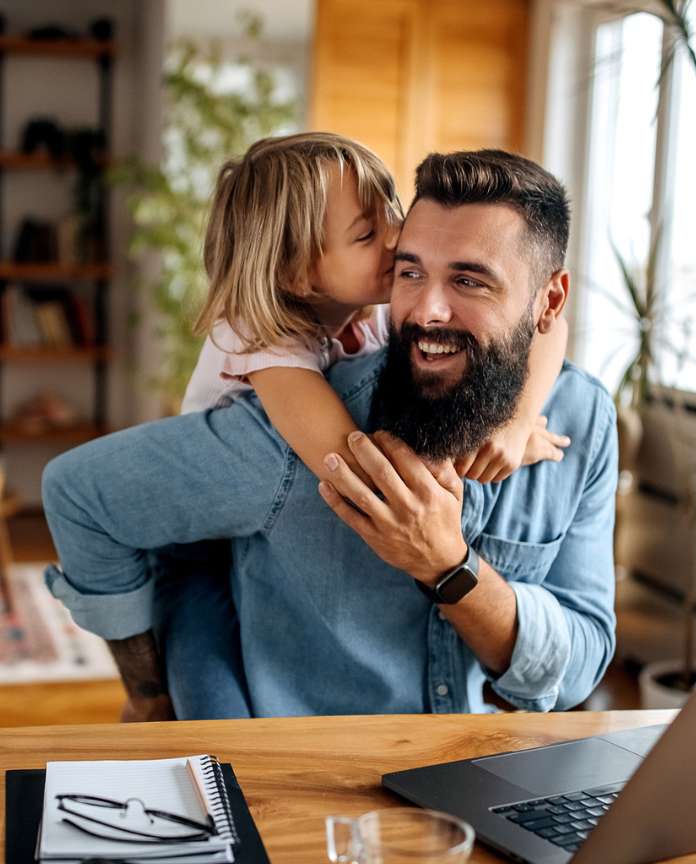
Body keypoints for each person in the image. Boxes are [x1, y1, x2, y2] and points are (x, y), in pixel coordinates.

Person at [44, 149, 617, 718]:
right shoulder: (286, 391)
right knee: (205, 702)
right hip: (275, 717)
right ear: (299, 272)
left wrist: (514, 424)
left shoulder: (580, 418)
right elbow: (80, 493)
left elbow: (578, 671)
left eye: (469, 280)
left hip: (484, 775)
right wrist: (147, 693)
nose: (425, 309)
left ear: (549, 297)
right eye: (410, 270)